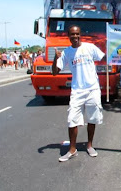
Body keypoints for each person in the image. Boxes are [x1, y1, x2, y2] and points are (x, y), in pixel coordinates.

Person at [52, 25, 104, 162]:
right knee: (72, 120)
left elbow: (103, 58)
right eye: (72, 34)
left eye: (77, 34)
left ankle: (90, 145)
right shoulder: (66, 52)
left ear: (80, 34)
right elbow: (55, 72)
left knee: (92, 118)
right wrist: (54, 59)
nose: (75, 36)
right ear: (68, 36)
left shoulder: (90, 47)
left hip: (93, 89)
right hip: (77, 90)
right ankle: (72, 149)